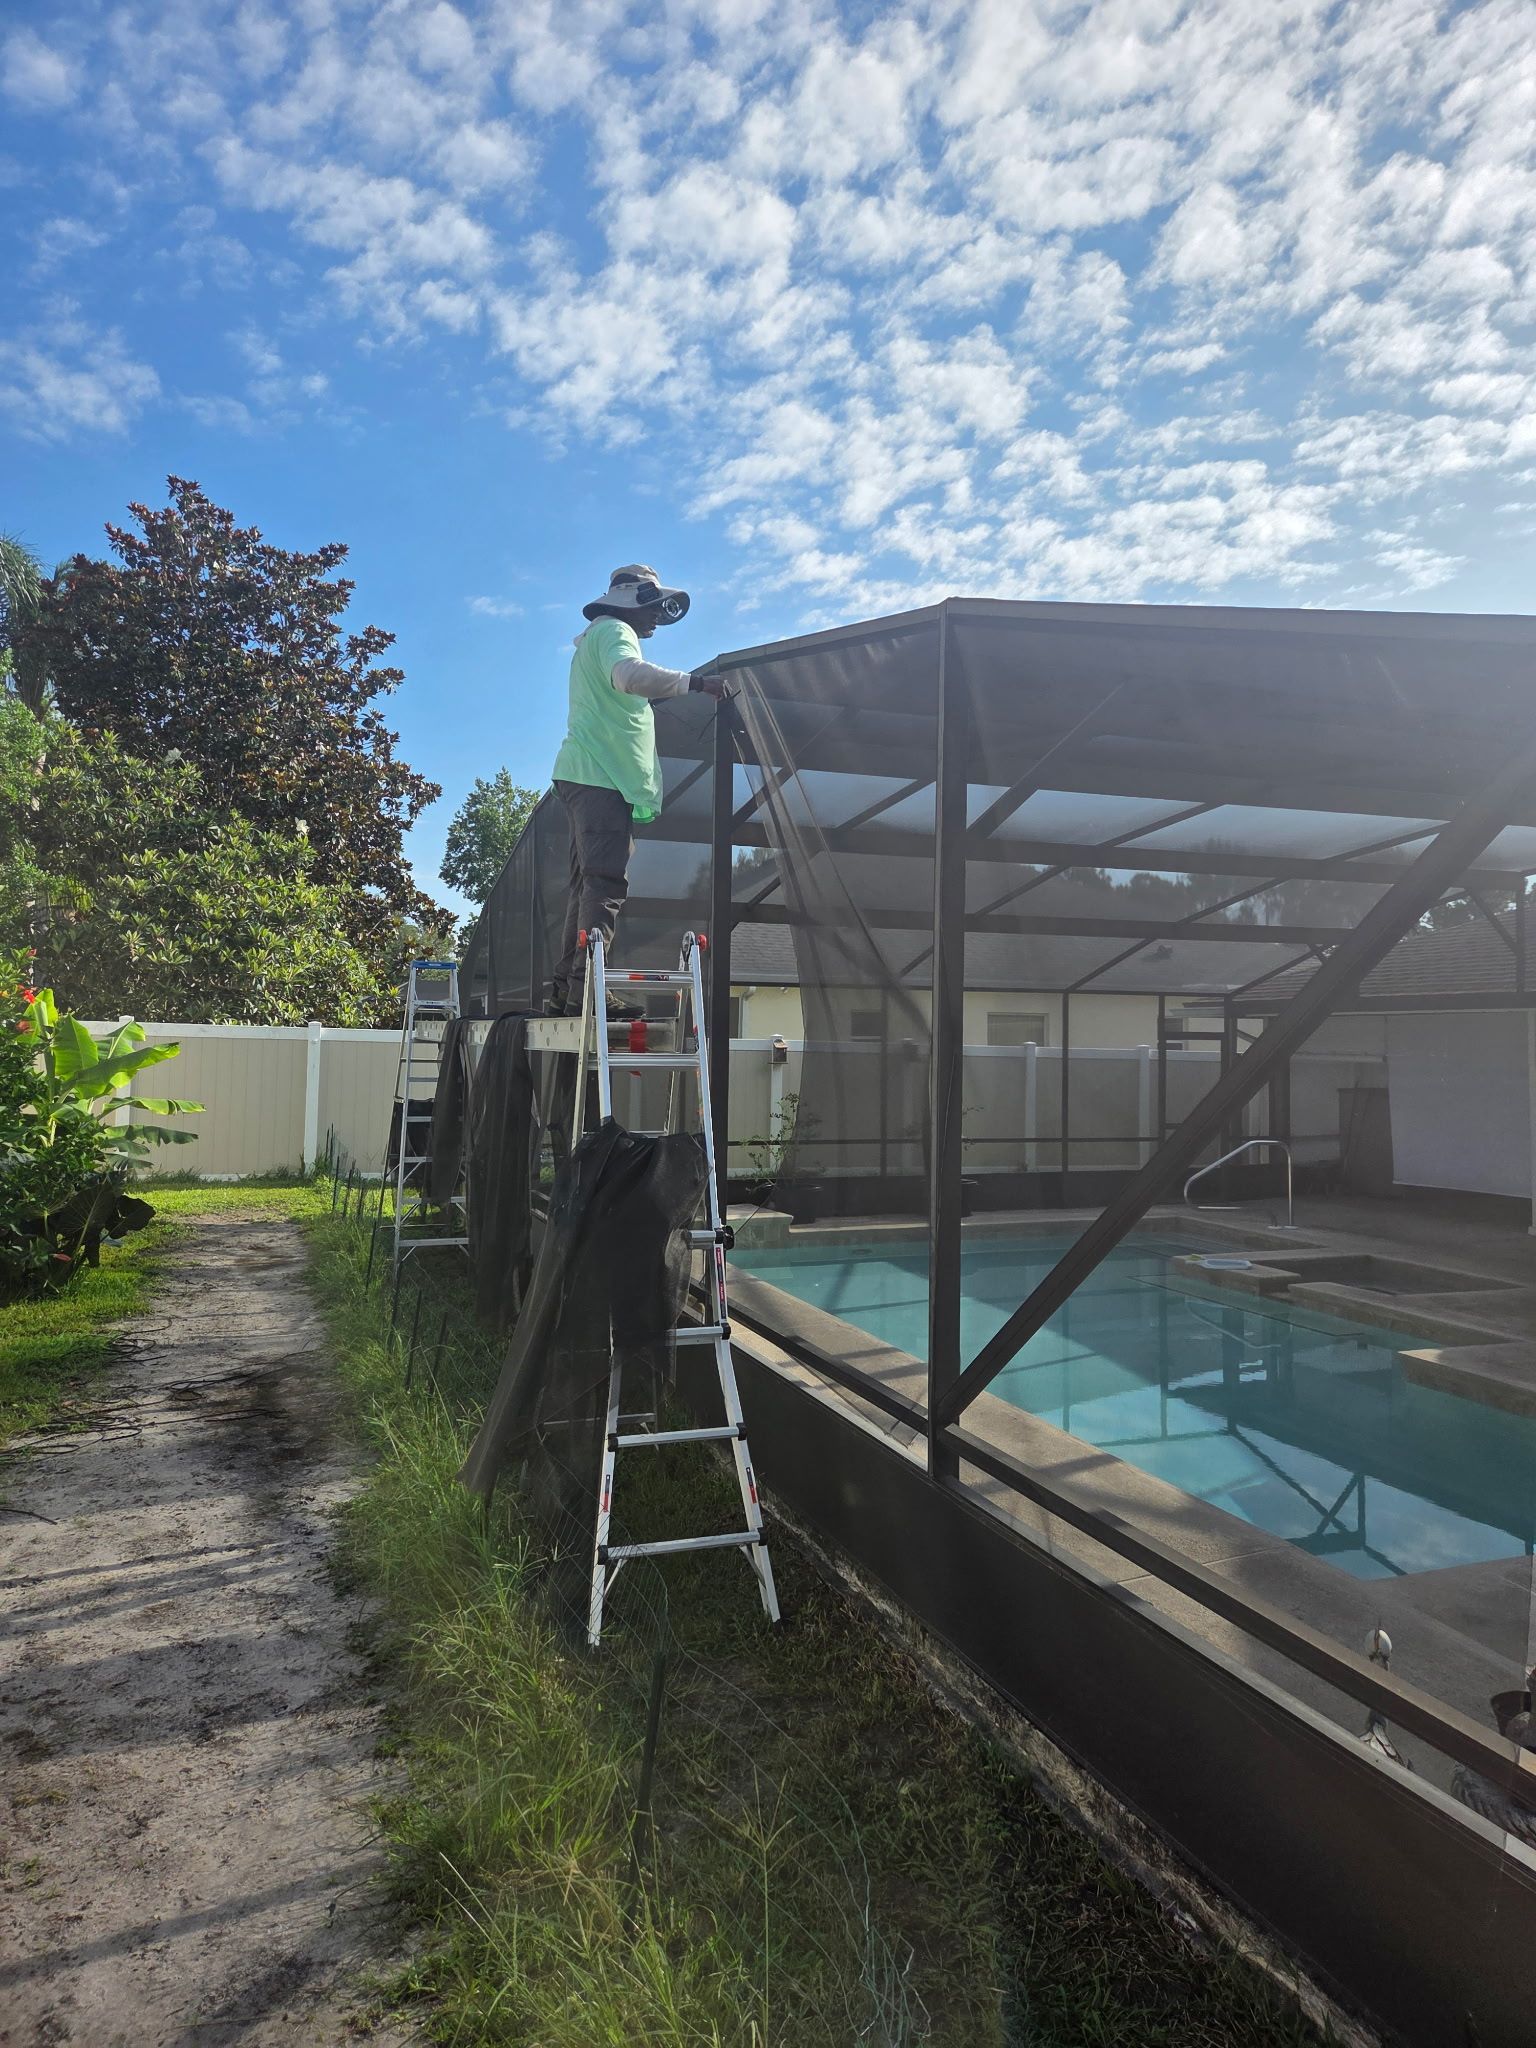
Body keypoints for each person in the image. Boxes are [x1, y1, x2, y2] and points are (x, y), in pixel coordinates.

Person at [547, 564, 725, 1018]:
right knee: (605, 883)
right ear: (633, 602)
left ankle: (569, 990)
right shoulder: (613, 631)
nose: (655, 624)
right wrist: (699, 684)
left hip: (587, 773)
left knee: (586, 886)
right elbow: (628, 676)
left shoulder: (596, 636)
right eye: (652, 612)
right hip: (600, 775)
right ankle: (589, 990)